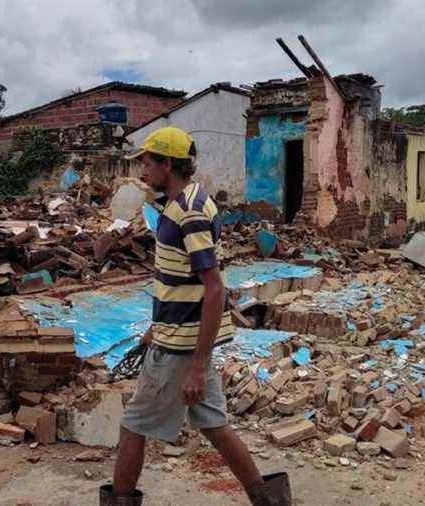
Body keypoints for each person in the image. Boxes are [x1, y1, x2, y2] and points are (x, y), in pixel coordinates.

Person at [101, 127, 291, 506]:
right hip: (178, 336)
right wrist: (157, 327)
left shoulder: (188, 213)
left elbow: (214, 288)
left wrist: (198, 365)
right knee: (214, 423)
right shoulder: (182, 203)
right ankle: (268, 500)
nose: (142, 170)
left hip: (182, 347)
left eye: (147, 162)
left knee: (133, 427)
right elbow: (181, 281)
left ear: (168, 164)